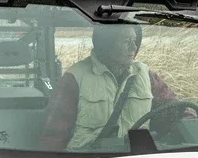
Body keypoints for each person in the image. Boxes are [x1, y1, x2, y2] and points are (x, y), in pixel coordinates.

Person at [38, 23, 184, 150]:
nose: (133, 47)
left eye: (134, 41)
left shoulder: (147, 76)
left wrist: (190, 123)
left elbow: (176, 111)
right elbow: (53, 136)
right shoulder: (75, 78)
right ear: (106, 44)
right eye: (126, 41)